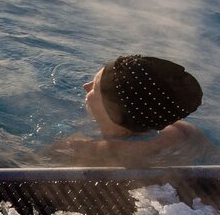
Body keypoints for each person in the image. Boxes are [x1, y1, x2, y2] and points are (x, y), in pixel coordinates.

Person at [46, 55, 216, 167]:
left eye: (95, 89)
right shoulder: (183, 131)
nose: (86, 86)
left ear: (111, 109)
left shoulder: (84, 148)